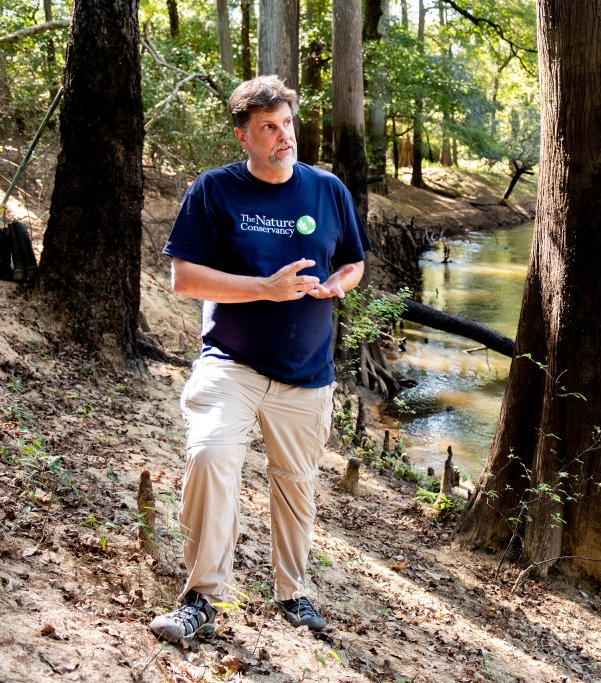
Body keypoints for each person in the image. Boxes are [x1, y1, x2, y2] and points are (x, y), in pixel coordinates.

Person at [149, 75, 370, 643]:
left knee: (296, 486)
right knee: (210, 456)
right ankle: (201, 597)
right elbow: (183, 278)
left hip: (307, 373)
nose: (283, 136)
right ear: (243, 136)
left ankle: (292, 593)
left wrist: (339, 285)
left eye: (287, 124)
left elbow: (353, 261)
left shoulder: (327, 190)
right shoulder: (213, 191)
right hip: (232, 362)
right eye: (268, 127)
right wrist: (264, 290)